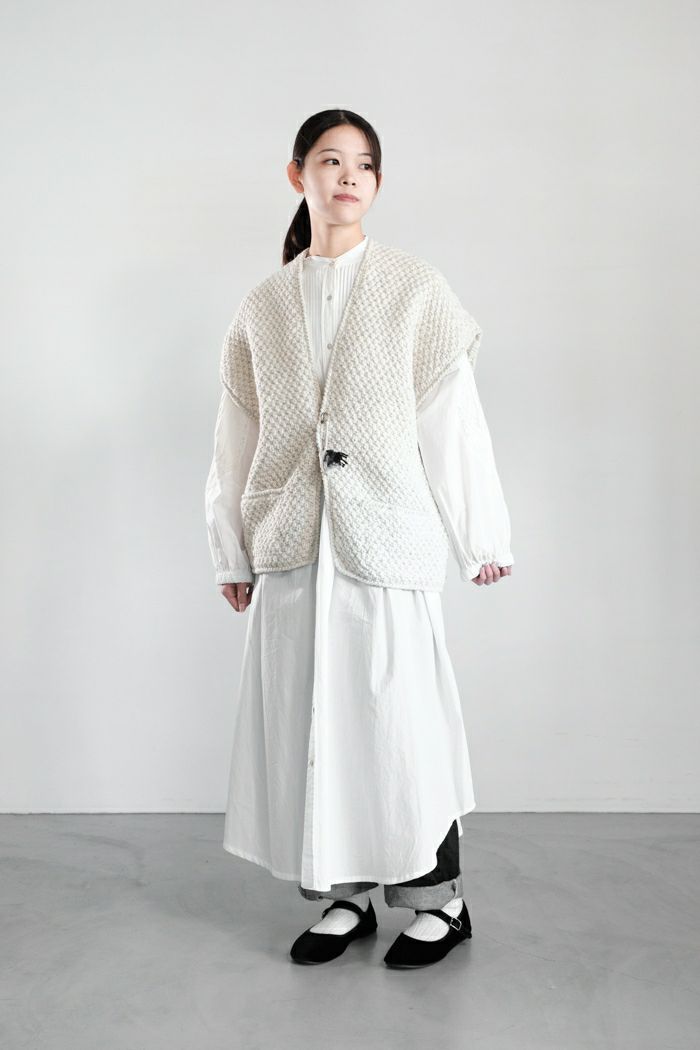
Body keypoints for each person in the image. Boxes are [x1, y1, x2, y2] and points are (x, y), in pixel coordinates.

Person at [205, 109, 514, 969]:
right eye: (331, 160)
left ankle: (439, 903)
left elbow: (453, 421)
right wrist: (232, 548)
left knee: (400, 725)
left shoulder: (415, 289)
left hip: (385, 538)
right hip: (294, 543)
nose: (349, 176)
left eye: (365, 164)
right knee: (312, 723)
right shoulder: (263, 305)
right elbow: (235, 435)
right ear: (297, 174)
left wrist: (480, 534)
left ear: (377, 182)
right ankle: (343, 897)